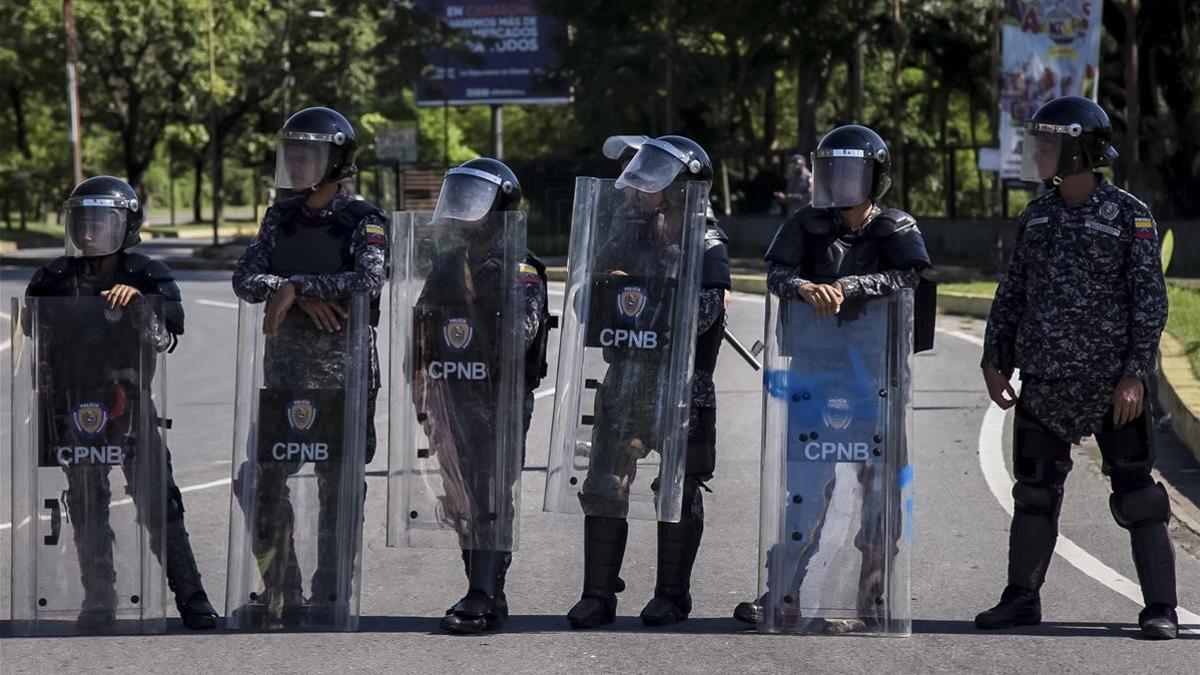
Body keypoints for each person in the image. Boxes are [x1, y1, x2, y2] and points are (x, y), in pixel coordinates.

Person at [975, 95, 1177, 640]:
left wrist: (1136, 373)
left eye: (1047, 144)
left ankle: (1161, 608)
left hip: (1114, 388)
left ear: (1076, 152)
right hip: (1044, 383)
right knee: (1035, 493)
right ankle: (1021, 599)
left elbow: (1150, 301)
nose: (1037, 153)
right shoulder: (1036, 216)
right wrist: (995, 358)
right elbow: (1013, 293)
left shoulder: (1129, 216)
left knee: (1139, 495)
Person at [734, 124, 931, 626]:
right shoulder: (805, 222)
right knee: (803, 491)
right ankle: (781, 593)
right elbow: (775, 273)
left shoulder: (898, 227)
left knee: (879, 494)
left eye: (851, 171)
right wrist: (803, 286)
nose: (840, 181)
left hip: (877, 379)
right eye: (833, 171)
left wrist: (849, 285)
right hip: (814, 375)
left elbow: (909, 277)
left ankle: (874, 599)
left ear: (874, 176)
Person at [24, 175, 218, 630]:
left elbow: (170, 330)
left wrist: (141, 306)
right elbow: (34, 332)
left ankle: (192, 599)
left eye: (101, 223)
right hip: (73, 409)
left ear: (126, 226)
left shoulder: (147, 273)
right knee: (87, 503)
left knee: (159, 503)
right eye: (83, 222)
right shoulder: (52, 277)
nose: (90, 232)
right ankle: (99, 597)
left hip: (130, 404)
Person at [564, 135, 730, 629]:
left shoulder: (707, 240)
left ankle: (672, 596)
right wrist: (620, 290)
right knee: (603, 483)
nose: (639, 188)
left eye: (654, 177)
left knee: (678, 487)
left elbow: (702, 313)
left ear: (681, 186)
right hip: (625, 376)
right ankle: (597, 594)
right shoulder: (626, 232)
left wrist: (638, 291)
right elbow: (586, 301)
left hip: (683, 384)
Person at [230, 106, 387, 623]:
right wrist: (287, 289)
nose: (297, 160)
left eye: (309, 152)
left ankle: (331, 593)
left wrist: (298, 285)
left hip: (345, 378)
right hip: (286, 380)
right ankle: (282, 589)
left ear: (336, 161)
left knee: (338, 490)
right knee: (258, 480)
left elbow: (367, 282)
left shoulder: (364, 220)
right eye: (292, 151)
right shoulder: (281, 217)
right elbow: (246, 278)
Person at [407, 157, 552, 633]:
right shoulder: (447, 264)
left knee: (491, 492)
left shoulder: (522, 269)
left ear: (498, 208)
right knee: (462, 497)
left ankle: (481, 592)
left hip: (501, 400)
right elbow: (422, 326)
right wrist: (420, 387)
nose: (465, 213)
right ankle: (488, 590)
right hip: (453, 398)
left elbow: (521, 335)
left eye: (475, 203)